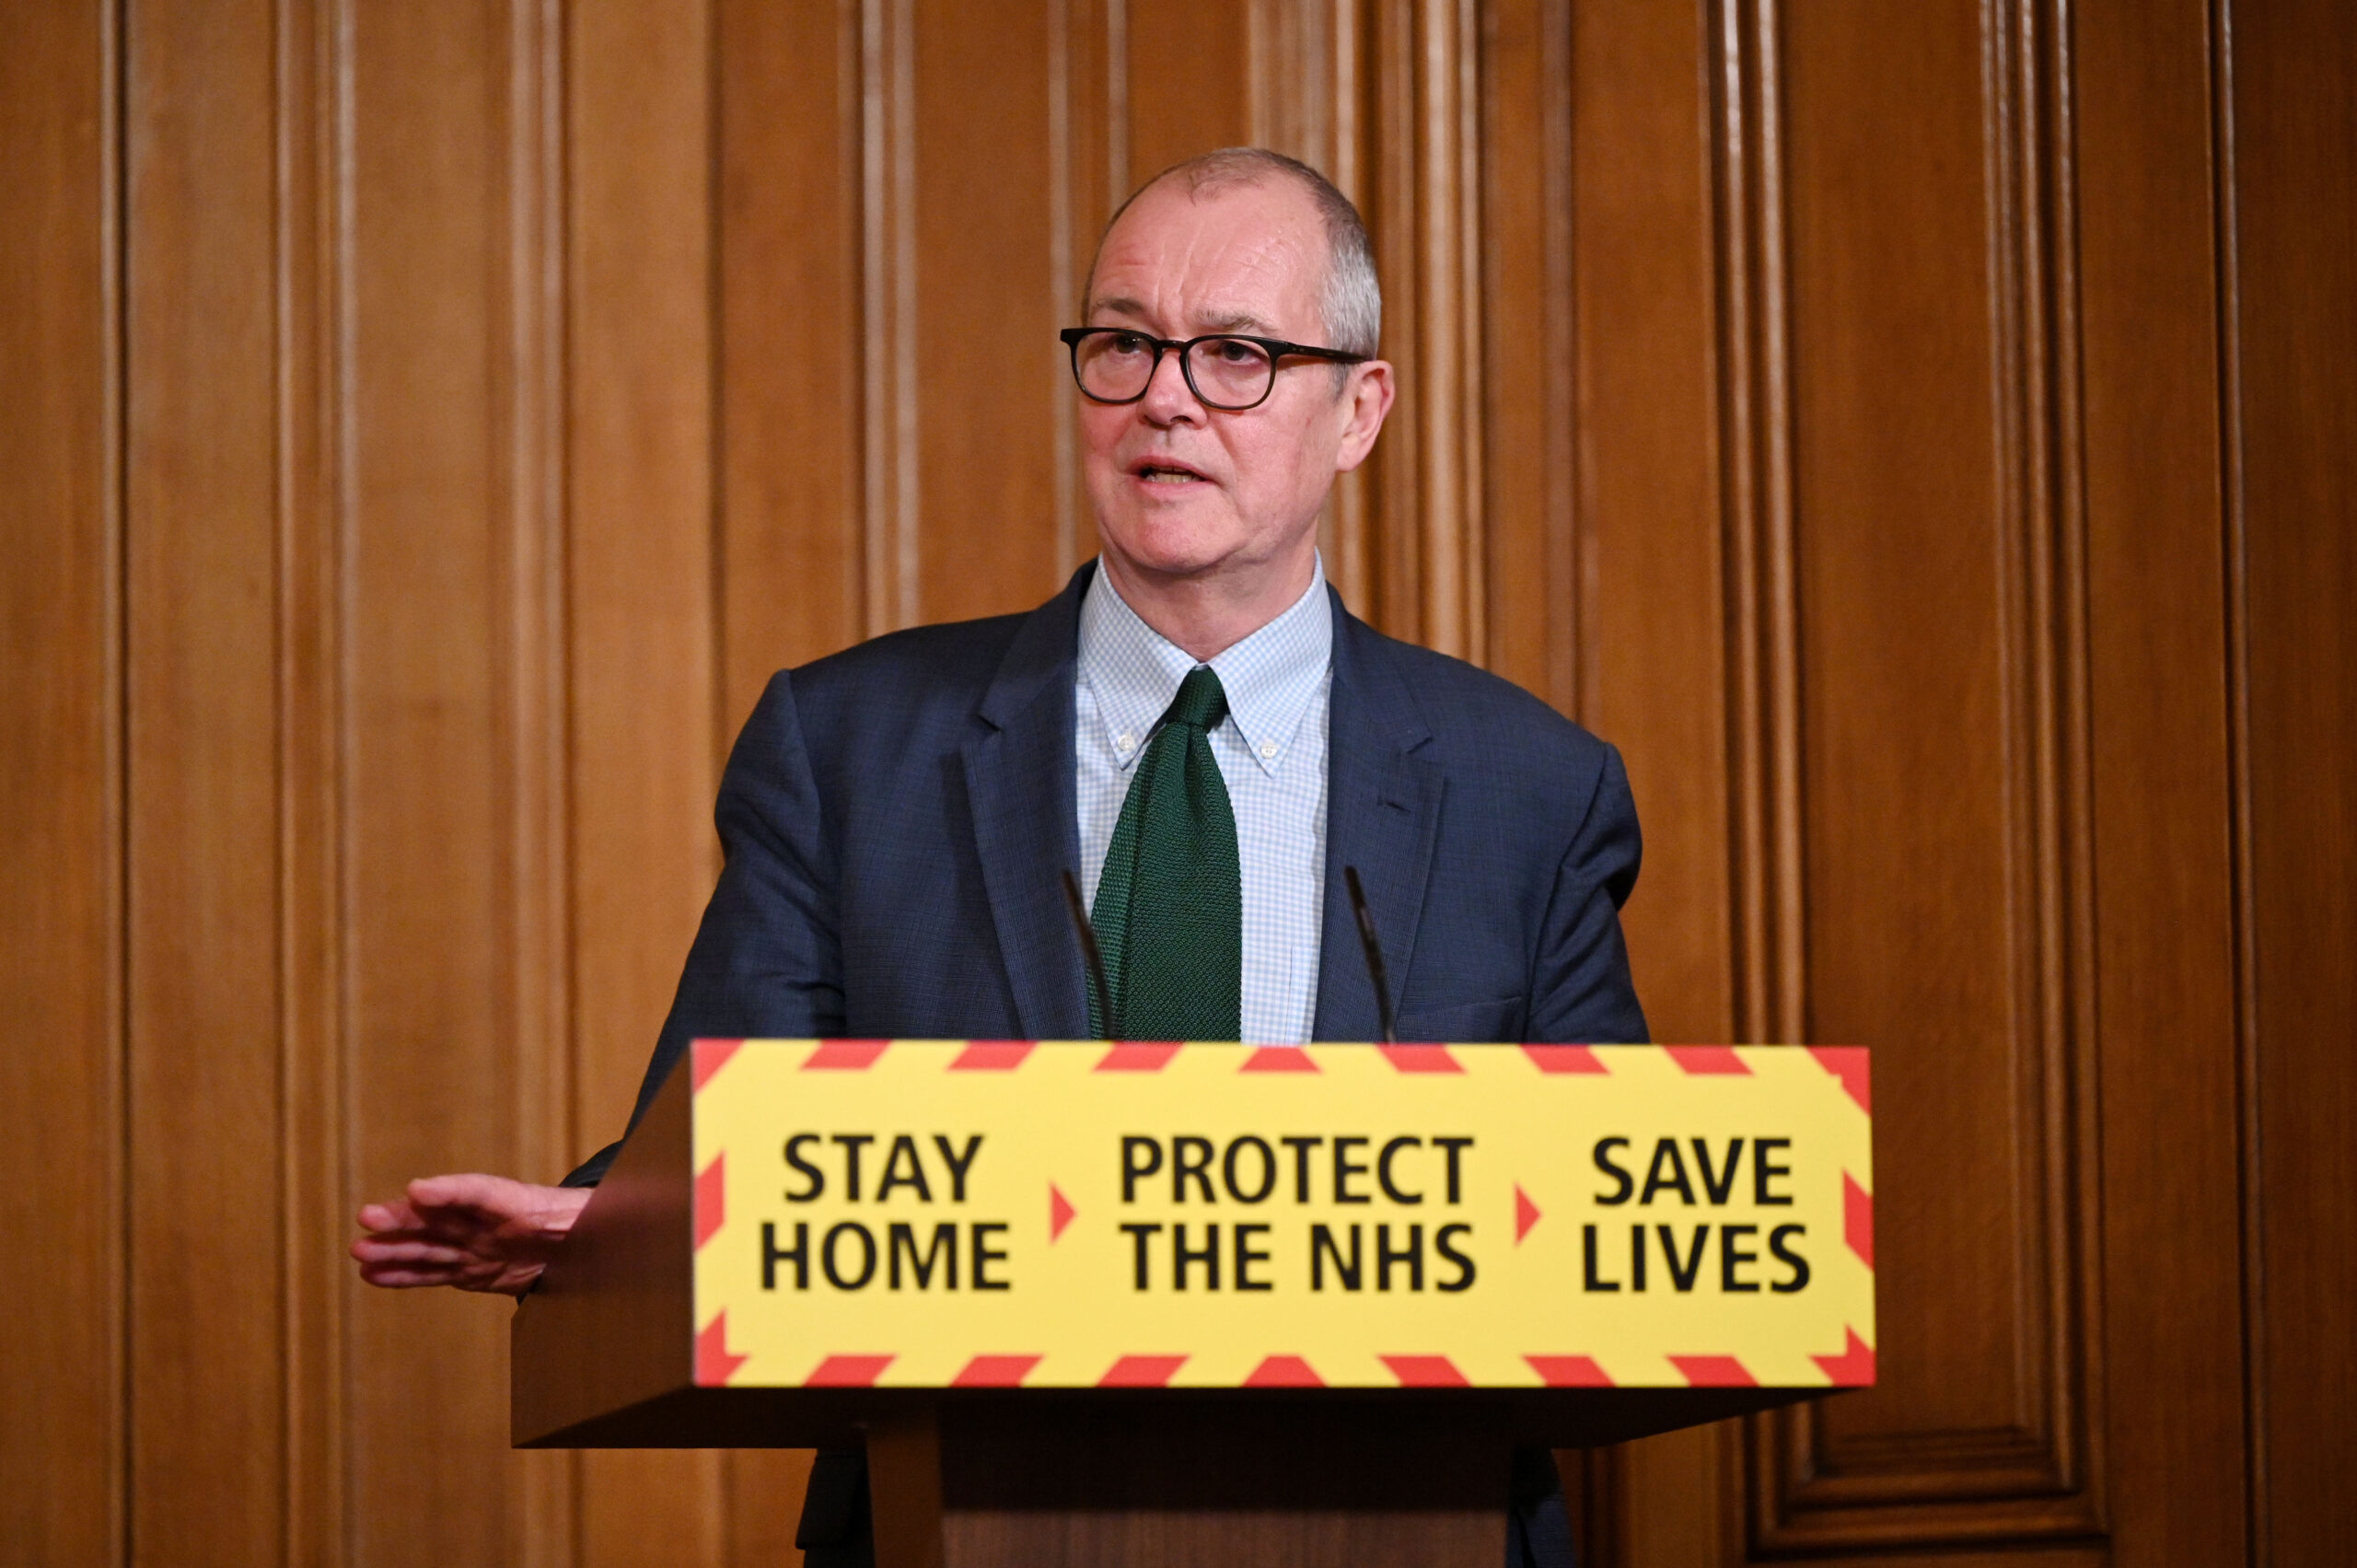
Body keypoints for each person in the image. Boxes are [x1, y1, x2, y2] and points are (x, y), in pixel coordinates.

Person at [354, 146, 1643, 1568]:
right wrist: (617, 1232)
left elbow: (1618, 1238)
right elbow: (736, 1125)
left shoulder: (1532, 789)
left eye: (1236, 354)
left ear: (1360, 408)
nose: (1165, 394)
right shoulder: (850, 747)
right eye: (1123, 343)